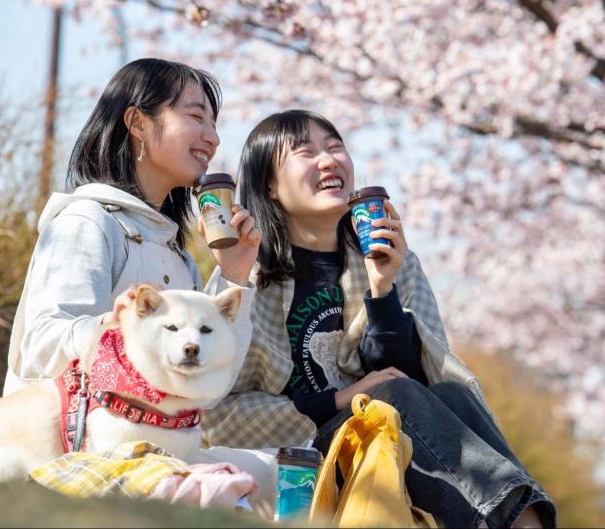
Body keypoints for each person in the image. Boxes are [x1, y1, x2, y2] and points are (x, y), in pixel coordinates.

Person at [202, 109, 557, 528]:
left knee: (452, 396)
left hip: (388, 444)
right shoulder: (248, 274)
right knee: (389, 400)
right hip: (297, 451)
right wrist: (342, 400)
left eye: (336, 147)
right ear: (270, 186)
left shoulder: (394, 262)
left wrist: (382, 292)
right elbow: (219, 412)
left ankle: (525, 518)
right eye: (306, 152)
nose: (329, 160)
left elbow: (418, 384)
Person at [4, 57, 260, 396]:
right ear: (137, 123)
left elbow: (208, 391)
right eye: (196, 117)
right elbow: (42, 347)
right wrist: (116, 326)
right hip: (71, 440)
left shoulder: (177, 254)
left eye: (214, 125)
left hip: (147, 440)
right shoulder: (87, 222)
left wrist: (234, 274)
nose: (212, 138)